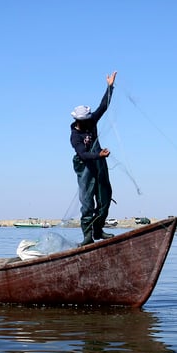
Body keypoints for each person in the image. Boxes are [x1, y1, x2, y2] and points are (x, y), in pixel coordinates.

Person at [70, 71, 117, 245]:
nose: (89, 121)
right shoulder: (75, 136)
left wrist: (110, 86)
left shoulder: (91, 121)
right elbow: (83, 154)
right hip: (85, 166)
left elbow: (103, 106)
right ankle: (88, 236)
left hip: (99, 162)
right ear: (77, 120)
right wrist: (98, 154)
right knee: (87, 202)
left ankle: (98, 230)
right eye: (85, 120)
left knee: (104, 197)